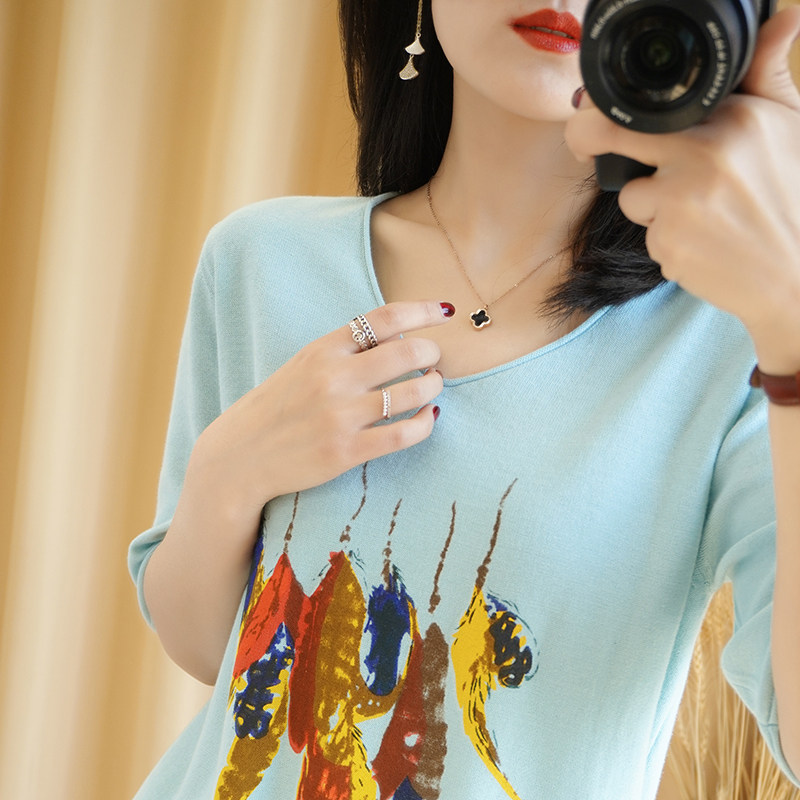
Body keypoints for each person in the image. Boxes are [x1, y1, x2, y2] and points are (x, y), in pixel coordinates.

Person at [128, 0, 800, 797]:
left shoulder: (734, 337)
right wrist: (228, 474)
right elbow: (210, 651)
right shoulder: (262, 258)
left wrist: (791, 328)